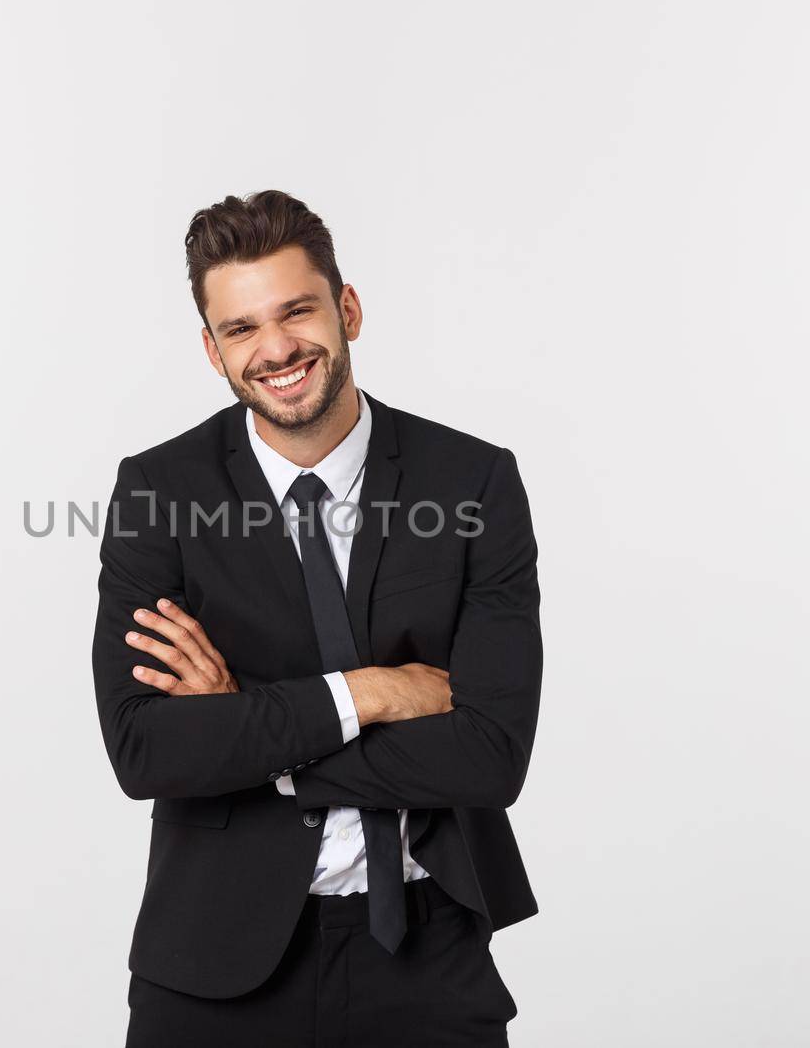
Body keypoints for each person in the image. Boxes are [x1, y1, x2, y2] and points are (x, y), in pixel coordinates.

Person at [92, 189, 543, 1047]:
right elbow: (145, 748)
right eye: (241, 329)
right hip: (214, 965)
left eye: (296, 311)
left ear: (348, 308)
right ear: (212, 350)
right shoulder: (159, 493)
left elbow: (489, 756)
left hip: (429, 950)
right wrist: (370, 693)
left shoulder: (473, 484)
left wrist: (247, 725)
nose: (276, 349)